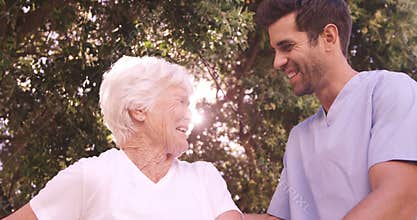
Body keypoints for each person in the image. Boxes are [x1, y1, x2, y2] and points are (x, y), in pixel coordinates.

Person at [3, 56, 242, 220]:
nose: (189, 115)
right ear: (139, 109)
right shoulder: (90, 176)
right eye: (181, 102)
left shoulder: (204, 177)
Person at [246, 0, 417, 219]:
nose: (277, 62)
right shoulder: (299, 137)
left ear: (329, 37)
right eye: (275, 50)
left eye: (287, 47)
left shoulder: (389, 90)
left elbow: (401, 199)